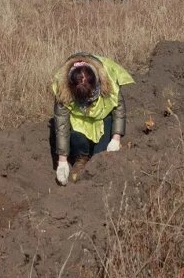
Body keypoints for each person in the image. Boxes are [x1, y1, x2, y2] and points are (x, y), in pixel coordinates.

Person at [51, 53, 133, 185]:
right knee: (76, 134)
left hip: (102, 117)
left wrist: (116, 138)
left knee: (100, 155)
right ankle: (81, 157)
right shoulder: (63, 88)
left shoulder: (108, 78)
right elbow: (61, 125)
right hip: (79, 120)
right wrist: (62, 161)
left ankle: (97, 157)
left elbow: (119, 109)